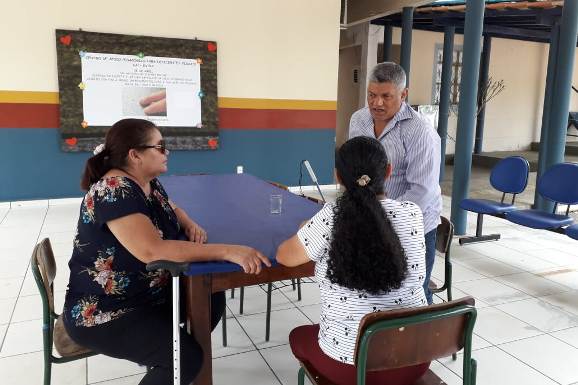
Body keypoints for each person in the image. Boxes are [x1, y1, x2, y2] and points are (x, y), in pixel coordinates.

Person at [63, 118, 270, 385]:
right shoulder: (114, 190)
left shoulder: (145, 181)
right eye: (160, 147)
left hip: (145, 293)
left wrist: (189, 223)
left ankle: (165, 360)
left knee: (210, 296)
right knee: (185, 359)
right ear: (135, 155)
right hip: (106, 309)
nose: (166, 152)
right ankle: (173, 362)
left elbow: (172, 207)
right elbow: (153, 250)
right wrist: (230, 251)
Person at [276, 136, 429, 385]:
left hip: (350, 369)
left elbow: (285, 256)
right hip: (414, 360)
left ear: (338, 176)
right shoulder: (412, 213)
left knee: (298, 336)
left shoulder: (331, 217)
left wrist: (309, 228)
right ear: (388, 172)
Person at [348, 62, 442, 304]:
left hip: (412, 225)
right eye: (371, 95)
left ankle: (423, 338)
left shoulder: (421, 132)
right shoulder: (358, 120)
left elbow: (422, 190)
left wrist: (384, 217)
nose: (376, 103)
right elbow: (354, 165)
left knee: (414, 292)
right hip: (371, 219)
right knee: (375, 287)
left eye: (386, 96)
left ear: (404, 94)